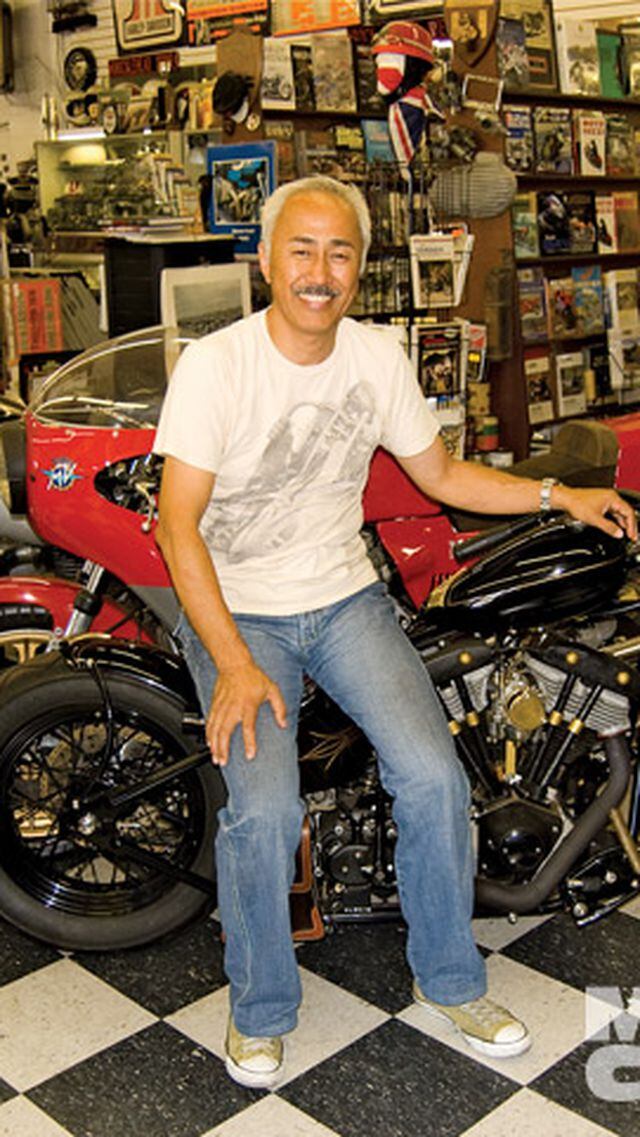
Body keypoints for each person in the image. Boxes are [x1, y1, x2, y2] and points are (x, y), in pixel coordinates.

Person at [154, 175, 636, 1090]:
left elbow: (443, 475)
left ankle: (450, 980)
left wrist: (558, 494)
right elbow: (178, 528)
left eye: (340, 252)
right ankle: (260, 1006)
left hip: (343, 600)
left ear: (360, 267)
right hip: (239, 610)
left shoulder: (376, 358)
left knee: (433, 777)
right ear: (266, 261)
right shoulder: (216, 366)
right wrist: (233, 664)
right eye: (301, 249)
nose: (320, 271)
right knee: (267, 810)